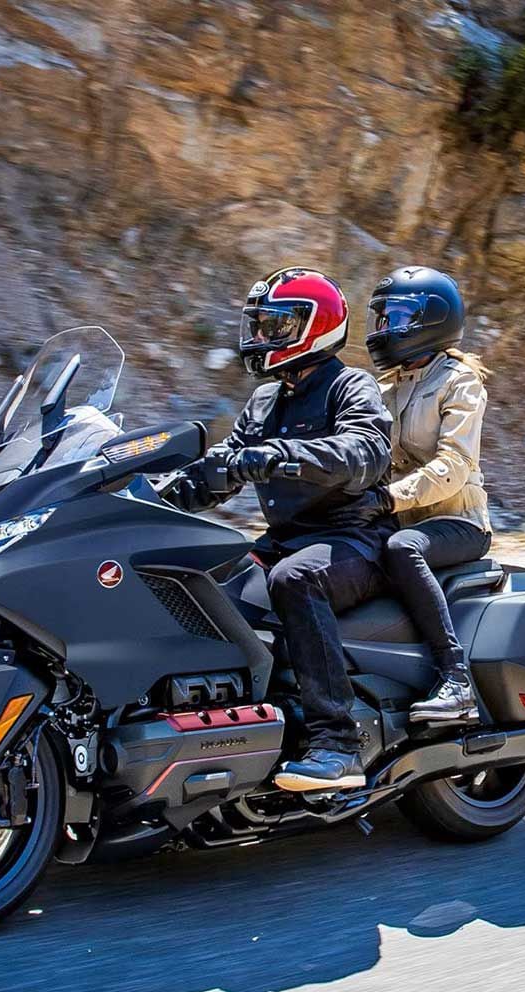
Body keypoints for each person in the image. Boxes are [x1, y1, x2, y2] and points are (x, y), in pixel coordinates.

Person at [163, 266, 396, 790]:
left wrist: (283, 455)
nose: (261, 336)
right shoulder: (266, 400)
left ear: (315, 327)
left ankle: (337, 744)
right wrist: (156, 491)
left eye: (275, 325)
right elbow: (224, 465)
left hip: (351, 539)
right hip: (285, 539)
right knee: (203, 582)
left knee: (295, 579)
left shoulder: (349, 385)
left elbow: (365, 449)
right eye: (259, 324)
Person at [367, 266, 492, 723]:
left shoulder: (460, 381)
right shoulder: (386, 386)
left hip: (457, 521)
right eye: (382, 317)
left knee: (403, 548)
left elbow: (454, 466)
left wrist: (388, 498)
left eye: (397, 317)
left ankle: (456, 679)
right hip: (401, 514)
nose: (385, 328)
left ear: (432, 320)